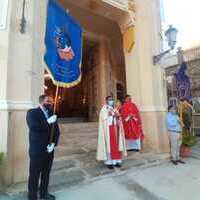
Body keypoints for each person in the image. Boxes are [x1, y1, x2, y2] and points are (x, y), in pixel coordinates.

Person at [26, 94, 60, 200]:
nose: (50, 103)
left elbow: (56, 131)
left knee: (46, 173)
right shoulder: (32, 113)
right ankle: (32, 196)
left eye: (51, 101)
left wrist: (53, 143)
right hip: (37, 150)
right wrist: (47, 122)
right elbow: (33, 126)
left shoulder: (51, 113)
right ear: (41, 102)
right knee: (34, 174)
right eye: (47, 101)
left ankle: (44, 193)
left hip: (49, 150)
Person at [97, 96, 127, 169]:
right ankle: (109, 162)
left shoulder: (114, 109)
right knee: (110, 147)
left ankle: (117, 161)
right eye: (110, 100)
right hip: (109, 130)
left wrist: (118, 117)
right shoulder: (104, 109)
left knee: (117, 146)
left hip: (116, 129)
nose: (111, 101)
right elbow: (104, 119)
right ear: (106, 101)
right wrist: (111, 115)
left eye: (112, 100)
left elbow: (119, 117)